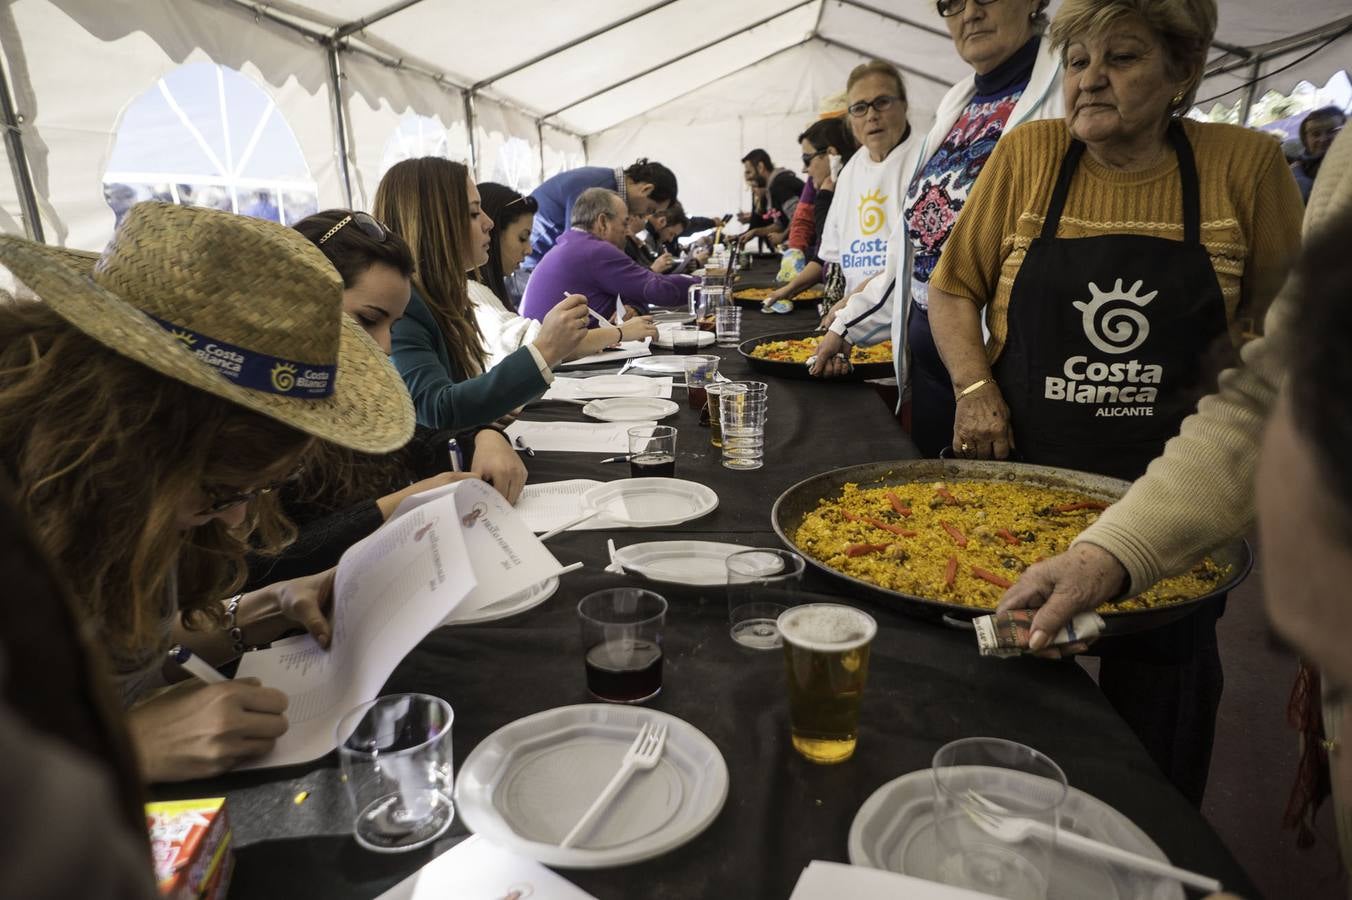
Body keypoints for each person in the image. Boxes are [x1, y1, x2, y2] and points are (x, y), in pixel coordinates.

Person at [925, 0, 1303, 804]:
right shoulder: (1029, 153)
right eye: (1078, 60)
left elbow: (1282, 341)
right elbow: (953, 290)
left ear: (1184, 72)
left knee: (1159, 717)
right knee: (1014, 673)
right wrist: (975, 388)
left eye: (1123, 58)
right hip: (1020, 485)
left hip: (1171, 507)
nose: (1091, 79)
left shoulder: (1247, 164)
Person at [0, 202, 416, 781]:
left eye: (258, 488)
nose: (237, 515)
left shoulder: (120, 493)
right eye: (220, 490)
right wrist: (125, 744)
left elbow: (123, 644)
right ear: (129, 422)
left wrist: (256, 611)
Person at [812, 0, 1065, 453]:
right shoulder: (959, 102)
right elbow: (913, 252)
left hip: (1004, 378)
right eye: (951, 2)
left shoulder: (1071, 87)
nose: (968, 13)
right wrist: (847, 323)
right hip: (936, 375)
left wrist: (974, 381)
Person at [243, 209, 529, 589]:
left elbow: (415, 437)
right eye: (367, 319)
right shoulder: (248, 414)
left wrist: (485, 437)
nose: (383, 346)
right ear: (303, 297)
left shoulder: (352, 391)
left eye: (392, 326)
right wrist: (397, 507)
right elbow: (255, 566)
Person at [377, 158, 591, 431]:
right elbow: (436, 408)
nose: (489, 223)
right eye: (474, 213)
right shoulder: (403, 307)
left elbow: (456, 393)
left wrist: (483, 427)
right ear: (435, 222)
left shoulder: (445, 297)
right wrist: (545, 350)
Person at [468, 183, 644, 370]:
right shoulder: (472, 294)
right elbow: (532, 345)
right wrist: (619, 332)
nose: (529, 250)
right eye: (522, 237)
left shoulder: (485, 292)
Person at [815, 60, 920, 310]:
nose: (872, 115)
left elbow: (918, 264)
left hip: (911, 325)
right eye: (860, 108)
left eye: (882, 102)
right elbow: (835, 256)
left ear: (904, 105)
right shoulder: (851, 170)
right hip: (858, 330)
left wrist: (849, 307)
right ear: (850, 119)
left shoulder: (928, 158)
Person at [519, 187, 692, 325]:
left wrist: (634, 307)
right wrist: (710, 284)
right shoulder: (595, 251)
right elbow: (658, 289)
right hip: (562, 363)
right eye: (624, 223)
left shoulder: (571, 244)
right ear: (603, 222)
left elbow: (636, 291)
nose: (628, 232)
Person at [522, 158, 678, 277]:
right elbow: (580, 249)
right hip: (532, 263)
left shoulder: (608, 181)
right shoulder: (599, 189)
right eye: (649, 209)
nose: (645, 217)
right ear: (646, 189)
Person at [764, 117, 858, 311]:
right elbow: (823, 253)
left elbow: (830, 245)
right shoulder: (832, 188)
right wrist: (788, 290)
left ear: (831, 154)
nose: (804, 168)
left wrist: (823, 197)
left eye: (807, 159)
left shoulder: (852, 191)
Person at [737, 148, 804, 248]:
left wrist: (782, 236)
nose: (748, 178)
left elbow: (798, 216)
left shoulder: (779, 184)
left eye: (749, 172)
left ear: (760, 167)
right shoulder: (773, 186)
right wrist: (754, 232)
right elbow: (779, 224)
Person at [1292, 105, 1346, 203]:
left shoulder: (1346, 164)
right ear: (1305, 139)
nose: (1322, 139)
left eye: (1331, 131)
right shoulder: (1299, 162)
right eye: (1315, 134)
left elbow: (1321, 201)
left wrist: (1297, 174)